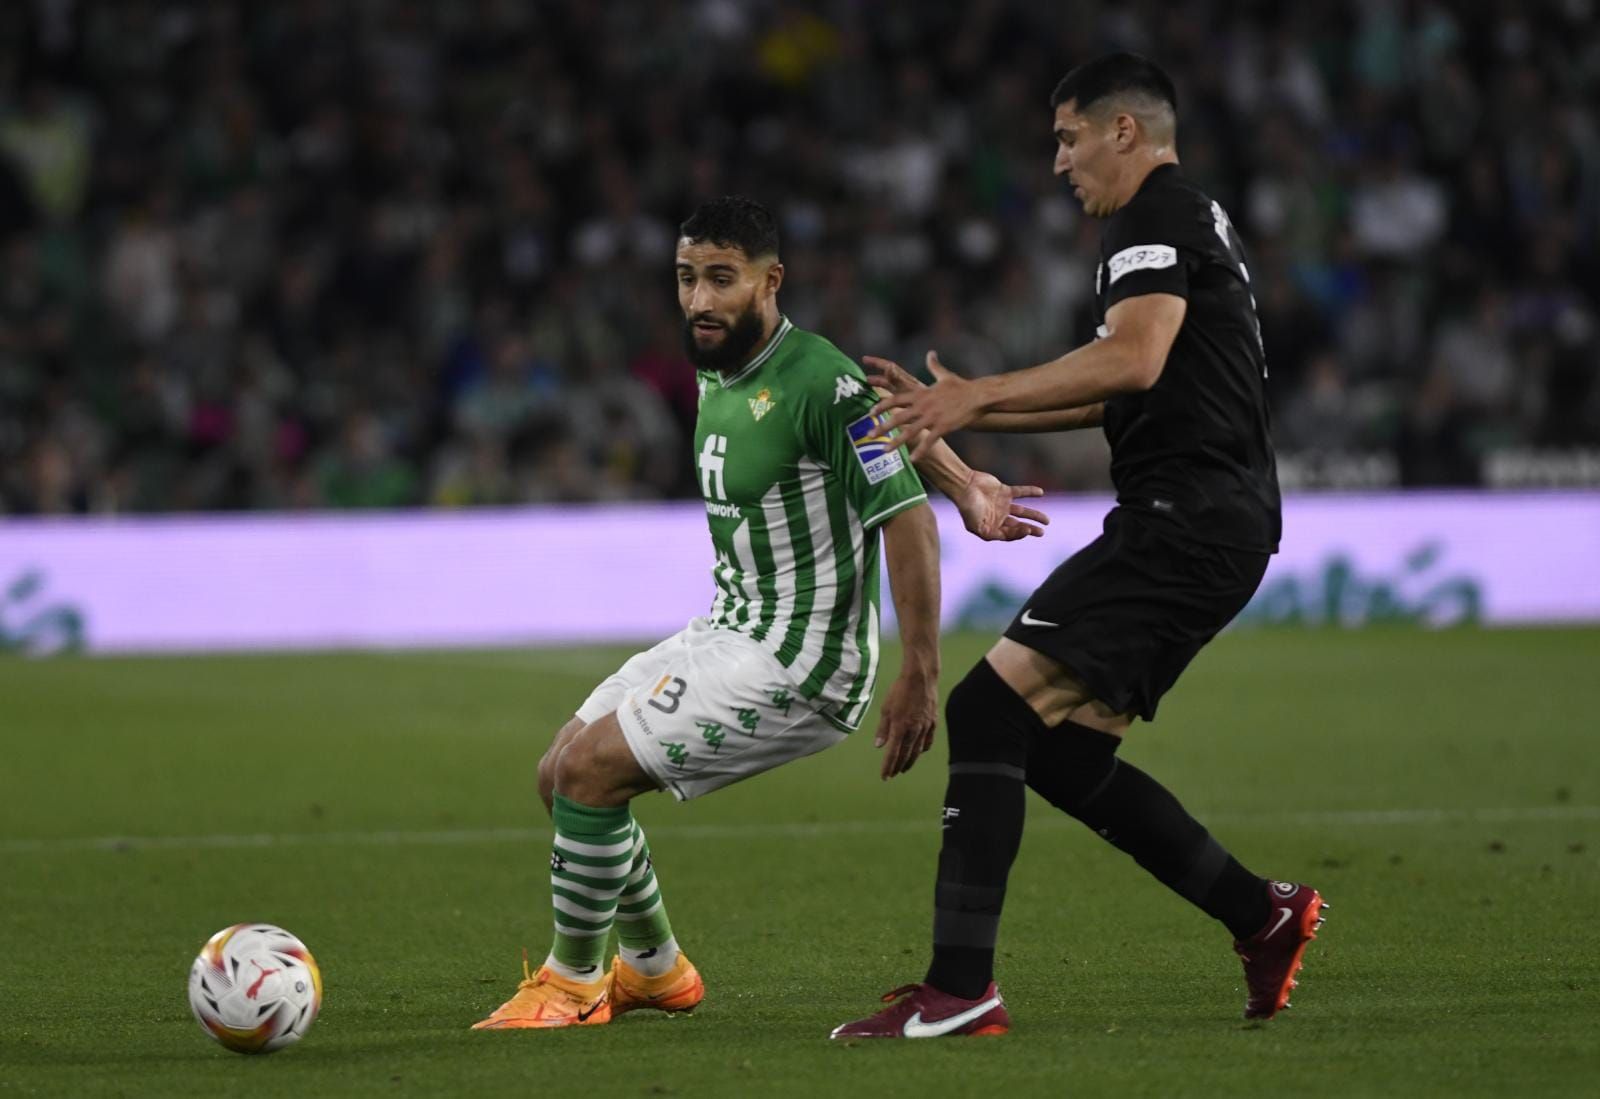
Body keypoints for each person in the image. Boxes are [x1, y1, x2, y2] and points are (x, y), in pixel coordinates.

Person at [833, 54, 1326, 1040]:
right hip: (1207, 515)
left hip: (1188, 517)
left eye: (1067, 138)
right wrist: (968, 432)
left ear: (1124, 132)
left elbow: (1131, 358)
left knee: (983, 710)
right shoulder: (1187, 222)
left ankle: (959, 986)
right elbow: (1124, 386)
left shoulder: (1152, 217)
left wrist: (972, 394)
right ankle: (1260, 915)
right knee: (1053, 749)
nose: (1058, 162)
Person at [474, 195, 1048, 1029]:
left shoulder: (816, 376)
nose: (700, 300)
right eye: (686, 279)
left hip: (801, 658)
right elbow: (889, 431)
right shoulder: (722, 356)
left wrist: (920, 670)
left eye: (720, 279)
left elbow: (904, 515)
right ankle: (657, 968)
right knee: (559, 774)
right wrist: (967, 478)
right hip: (733, 624)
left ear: (770, 280)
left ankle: (571, 982)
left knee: (591, 774)